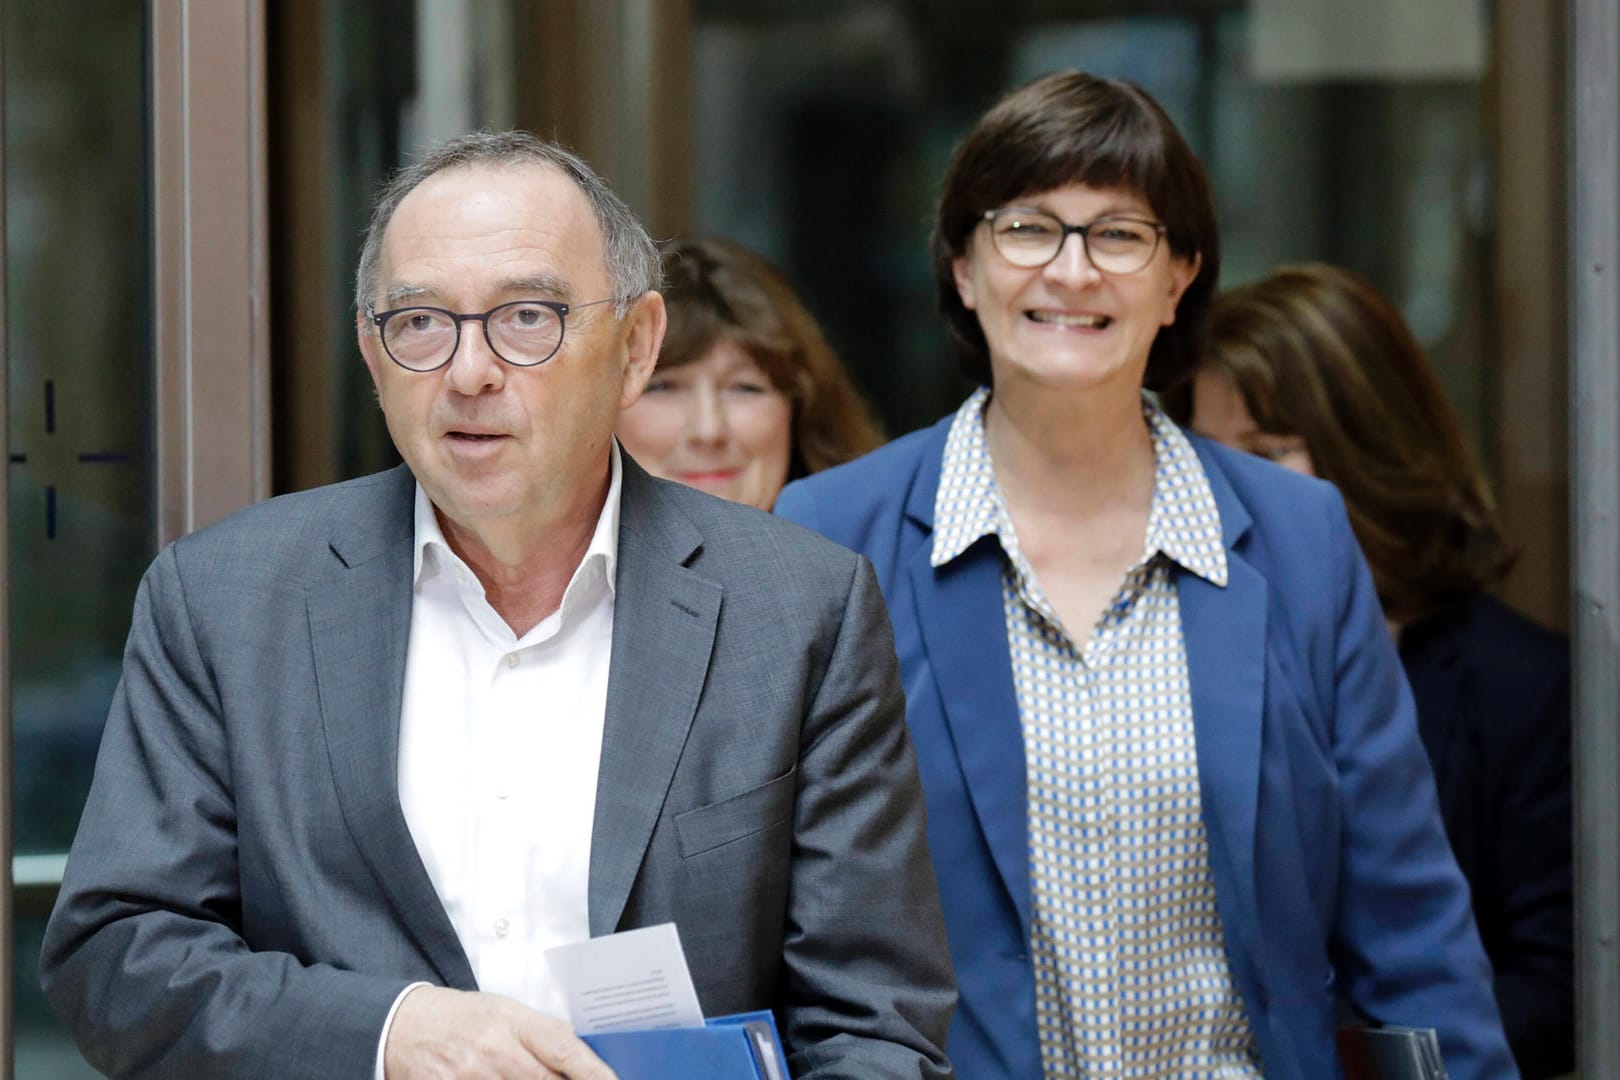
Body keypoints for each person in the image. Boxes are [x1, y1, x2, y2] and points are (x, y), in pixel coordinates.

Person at [40, 132, 956, 1080]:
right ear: (372, 352)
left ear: (636, 346)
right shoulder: (225, 602)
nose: (470, 371)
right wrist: (390, 1036)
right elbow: (118, 957)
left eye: (527, 317)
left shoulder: (800, 609)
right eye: (422, 322)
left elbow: (875, 1025)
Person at [776, 71, 1516, 1079]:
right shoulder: (833, 533)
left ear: (1179, 279)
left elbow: (1410, 923)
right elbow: (790, 923)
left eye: (1120, 234)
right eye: (1027, 228)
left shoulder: (1298, 538)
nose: (1072, 272)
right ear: (961, 266)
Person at [1165, 261, 1572, 1078]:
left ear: (1372, 448)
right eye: (1208, 459)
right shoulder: (1173, 657)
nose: (1228, 493)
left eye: (1269, 452)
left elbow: (1562, 980)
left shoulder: (1522, 686)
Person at [615, 235, 883, 510]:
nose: (708, 431)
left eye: (744, 388)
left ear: (802, 409)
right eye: (663, 387)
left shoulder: (865, 548)